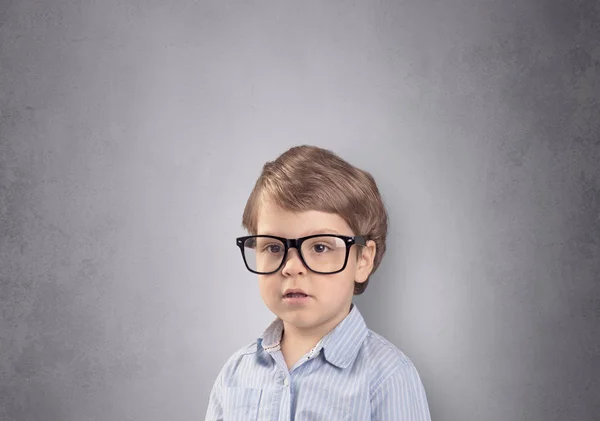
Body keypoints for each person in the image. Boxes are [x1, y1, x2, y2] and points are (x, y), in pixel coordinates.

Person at [205, 145, 432, 420]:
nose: (291, 267)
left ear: (362, 260)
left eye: (320, 247)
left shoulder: (387, 376)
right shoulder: (235, 373)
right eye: (274, 248)